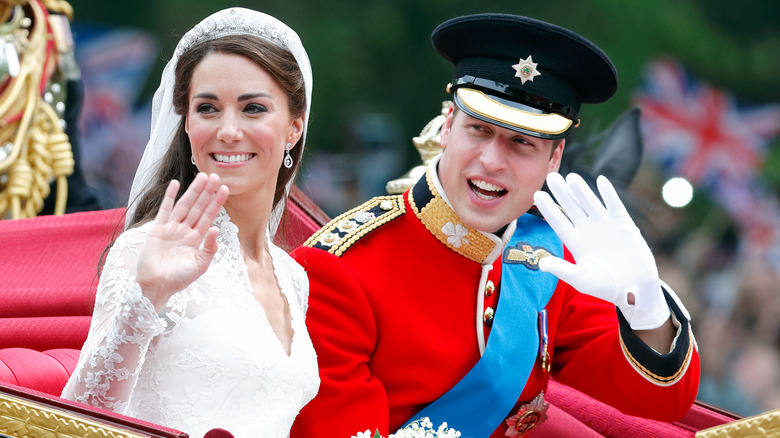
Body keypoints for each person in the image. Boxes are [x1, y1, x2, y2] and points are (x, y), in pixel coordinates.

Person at [290, 13, 699, 438]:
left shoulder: (547, 262)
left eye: (522, 143)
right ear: (448, 126)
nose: (492, 161)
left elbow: (661, 401)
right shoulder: (340, 268)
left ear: (554, 158)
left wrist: (646, 308)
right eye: (479, 130)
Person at [61, 8, 318, 438]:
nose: (229, 130)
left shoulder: (294, 278)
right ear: (186, 125)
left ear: (294, 127)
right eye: (208, 108)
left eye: (253, 108)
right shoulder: (145, 250)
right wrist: (148, 294)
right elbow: (76, 419)